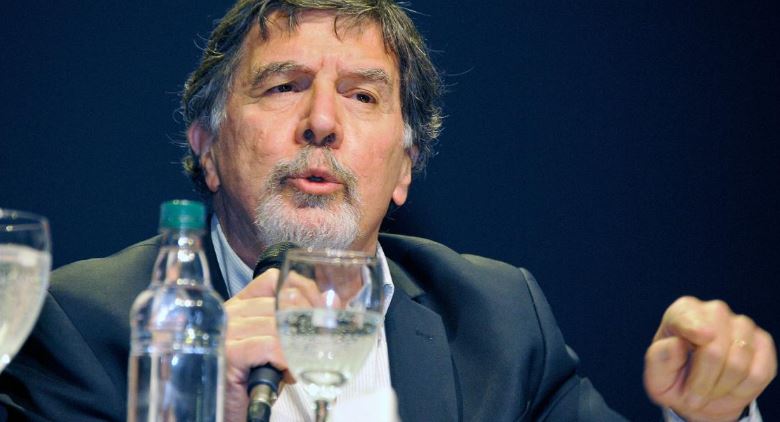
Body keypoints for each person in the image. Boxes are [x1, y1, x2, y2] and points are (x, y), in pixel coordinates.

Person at [0, 0, 776, 421]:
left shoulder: (500, 322)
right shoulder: (81, 323)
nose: (322, 122)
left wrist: (711, 416)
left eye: (363, 96)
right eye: (283, 86)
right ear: (206, 146)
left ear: (405, 168)